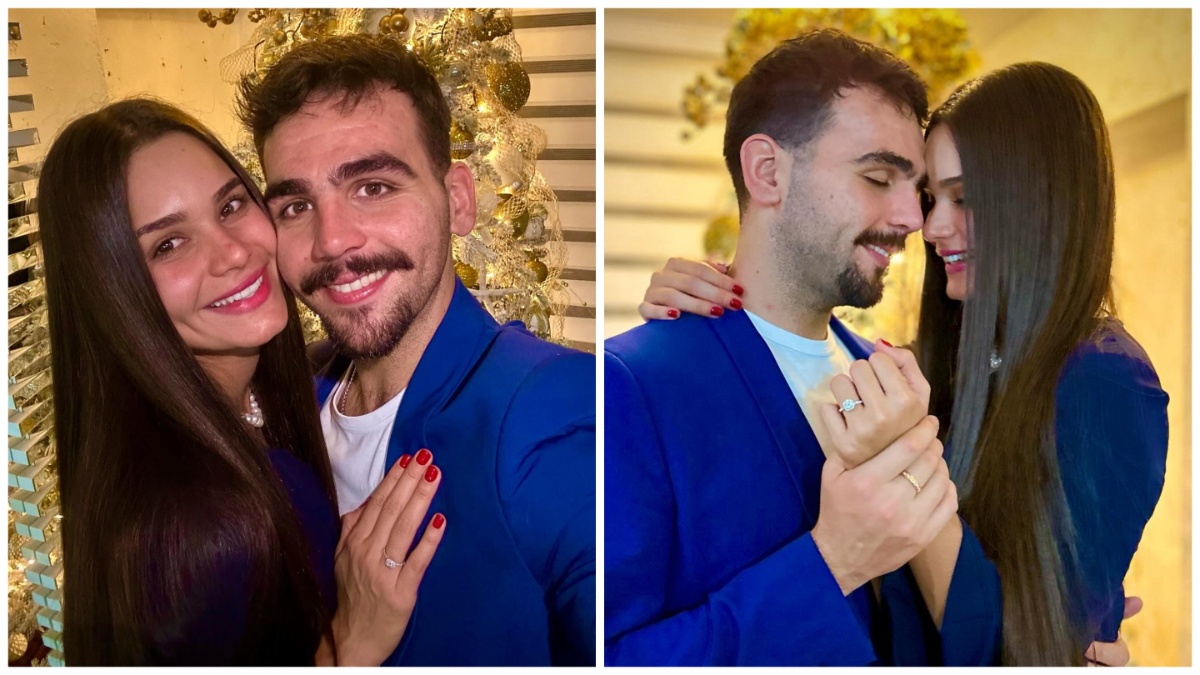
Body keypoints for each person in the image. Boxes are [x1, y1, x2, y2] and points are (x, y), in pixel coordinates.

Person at [639, 59, 1167, 666]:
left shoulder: (1106, 378)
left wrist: (900, 458)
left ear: (1044, 201)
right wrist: (709, 296)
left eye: (963, 198)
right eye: (930, 197)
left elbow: (1027, 645)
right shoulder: (933, 363)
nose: (926, 226)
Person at [39, 98, 446, 665]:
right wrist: (353, 641)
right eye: (168, 244)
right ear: (112, 292)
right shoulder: (200, 530)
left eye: (230, 205)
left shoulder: (255, 404)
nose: (233, 252)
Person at [235, 34, 596, 666]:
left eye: (373, 186)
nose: (332, 241)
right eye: (295, 205)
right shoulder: (293, 403)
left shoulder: (552, 412)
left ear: (457, 201)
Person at [604, 30, 957, 666]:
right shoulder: (628, 387)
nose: (913, 218)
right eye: (879, 177)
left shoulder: (895, 385)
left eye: (918, 189)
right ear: (767, 171)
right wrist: (832, 563)